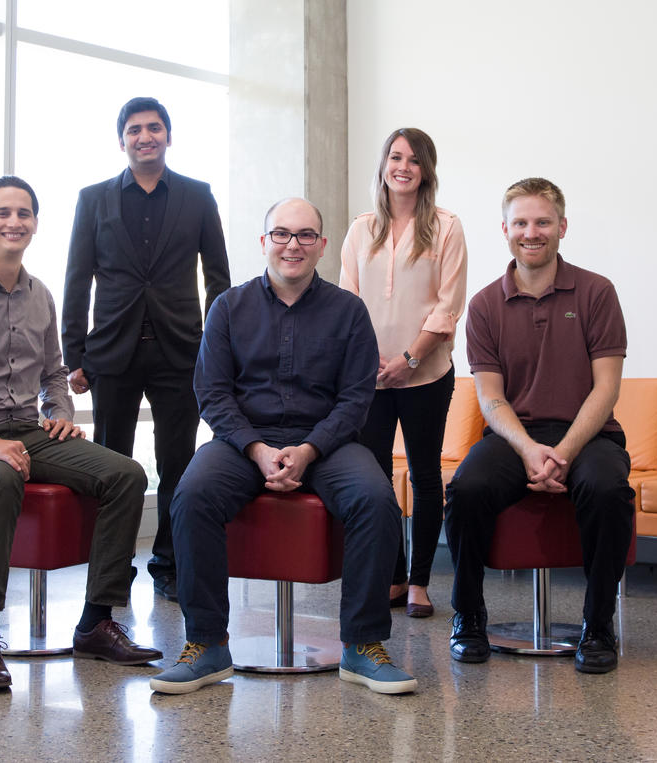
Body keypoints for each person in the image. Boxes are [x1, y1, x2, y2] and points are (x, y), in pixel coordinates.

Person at [149, 198, 417, 696]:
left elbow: (355, 399)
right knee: (191, 496)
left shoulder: (349, 311)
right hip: (242, 443)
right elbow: (212, 393)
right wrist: (256, 448)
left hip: (329, 445)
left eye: (305, 235)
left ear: (321, 245)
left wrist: (310, 449)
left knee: (376, 499)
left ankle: (363, 647)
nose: (293, 244)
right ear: (264, 241)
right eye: (282, 234)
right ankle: (206, 644)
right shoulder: (228, 307)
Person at [0, 176, 161, 691]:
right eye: (2, 213)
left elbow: (54, 370)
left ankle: (96, 622)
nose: (14, 222)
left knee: (126, 474)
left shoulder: (40, 295)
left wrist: (60, 409)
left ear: (34, 224)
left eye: (24, 213)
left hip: (29, 431)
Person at [444, 177, 635, 674]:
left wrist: (564, 451)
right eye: (522, 222)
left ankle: (598, 626)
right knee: (465, 487)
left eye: (543, 222)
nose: (533, 232)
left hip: (588, 435)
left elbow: (606, 390)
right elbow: (491, 398)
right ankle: (467, 615)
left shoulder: (597, 292)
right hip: (515, 436)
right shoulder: (484, 306)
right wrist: (530, 449)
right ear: (505, 229)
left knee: (608, 489)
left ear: (562, 227)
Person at [62, 97, 231, 604]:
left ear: (168, 137)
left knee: (177, 461)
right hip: (110, 351)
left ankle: (169, 563)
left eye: (154, 128)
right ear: (122, 141)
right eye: (134, 130)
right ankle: (112, 573)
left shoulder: (198, 196)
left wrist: (214, 350)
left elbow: (218, 278)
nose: (145, 136)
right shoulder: (93, 199)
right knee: (112, 464)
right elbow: (77, 279)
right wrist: (75, 353)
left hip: (182, 352)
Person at [339, 128, 468, 619]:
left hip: (426, 374)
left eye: (414, 160)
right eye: (396, 157)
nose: (404, 167)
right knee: (374, 477)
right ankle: (392, 575)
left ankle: (419, 581)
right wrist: (370, 361)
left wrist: (409, 360)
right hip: (368, 378)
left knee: (424, 473)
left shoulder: (447, 227)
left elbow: (447, 307)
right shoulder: (360, 229)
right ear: (384, 164)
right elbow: (347, 302)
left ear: (427, 170)